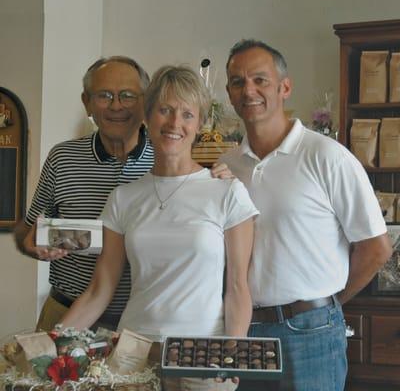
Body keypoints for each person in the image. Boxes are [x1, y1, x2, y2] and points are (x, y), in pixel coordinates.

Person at [61, 65, 259, 391]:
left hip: (202, 354)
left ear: (200, 124)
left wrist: (232, 352)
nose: (174, 124)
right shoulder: (123, 198)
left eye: (187, 114)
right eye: (164, 110)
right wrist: (54, 340)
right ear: (147, 117)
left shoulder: (227, 191)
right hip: (131, 352)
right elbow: (100, 289)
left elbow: (238, 287)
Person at [219, 39, 393, 391]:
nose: (248, 90)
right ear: (229, 92)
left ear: (285, 87)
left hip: (311, 334)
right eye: (238, 82)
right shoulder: (228, 166)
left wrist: (326, 305)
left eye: (259, 80)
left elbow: (377, 249)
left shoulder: (327, 156)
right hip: (245, 333)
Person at [14, 56, 231, 332]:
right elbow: (28, 227)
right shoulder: (63, 157)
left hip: (138, 324)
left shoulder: (169, 155)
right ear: (87, 102)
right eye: (104, 95)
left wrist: (222, 176)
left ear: (145, 103)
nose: (116, 105)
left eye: (128, 96)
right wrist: (29, 242)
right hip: (69, 310)